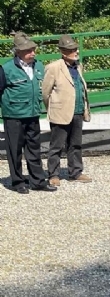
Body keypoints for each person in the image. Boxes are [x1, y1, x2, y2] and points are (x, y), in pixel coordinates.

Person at [0, 32, 57, 194]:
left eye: (33, 49)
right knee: (15, 150)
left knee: (34, 149)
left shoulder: (38, 66)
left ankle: (38, 181)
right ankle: (18, 182)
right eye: (28, 50)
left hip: (32, 114)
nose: (33, 53)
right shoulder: (6, 69)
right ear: (18, 52)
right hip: (14, 116)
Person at [42, 34, 92, 185]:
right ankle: (53, 174)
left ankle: (76, 172)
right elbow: (45, 93)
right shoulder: (53, 68)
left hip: (77, 112)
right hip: (60, 113)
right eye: (73, 49)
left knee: (76, 144)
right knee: (56, 145)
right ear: (64, 52)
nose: (77, 52)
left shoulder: (78, 66)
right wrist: (54, 108)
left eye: (76, 49)